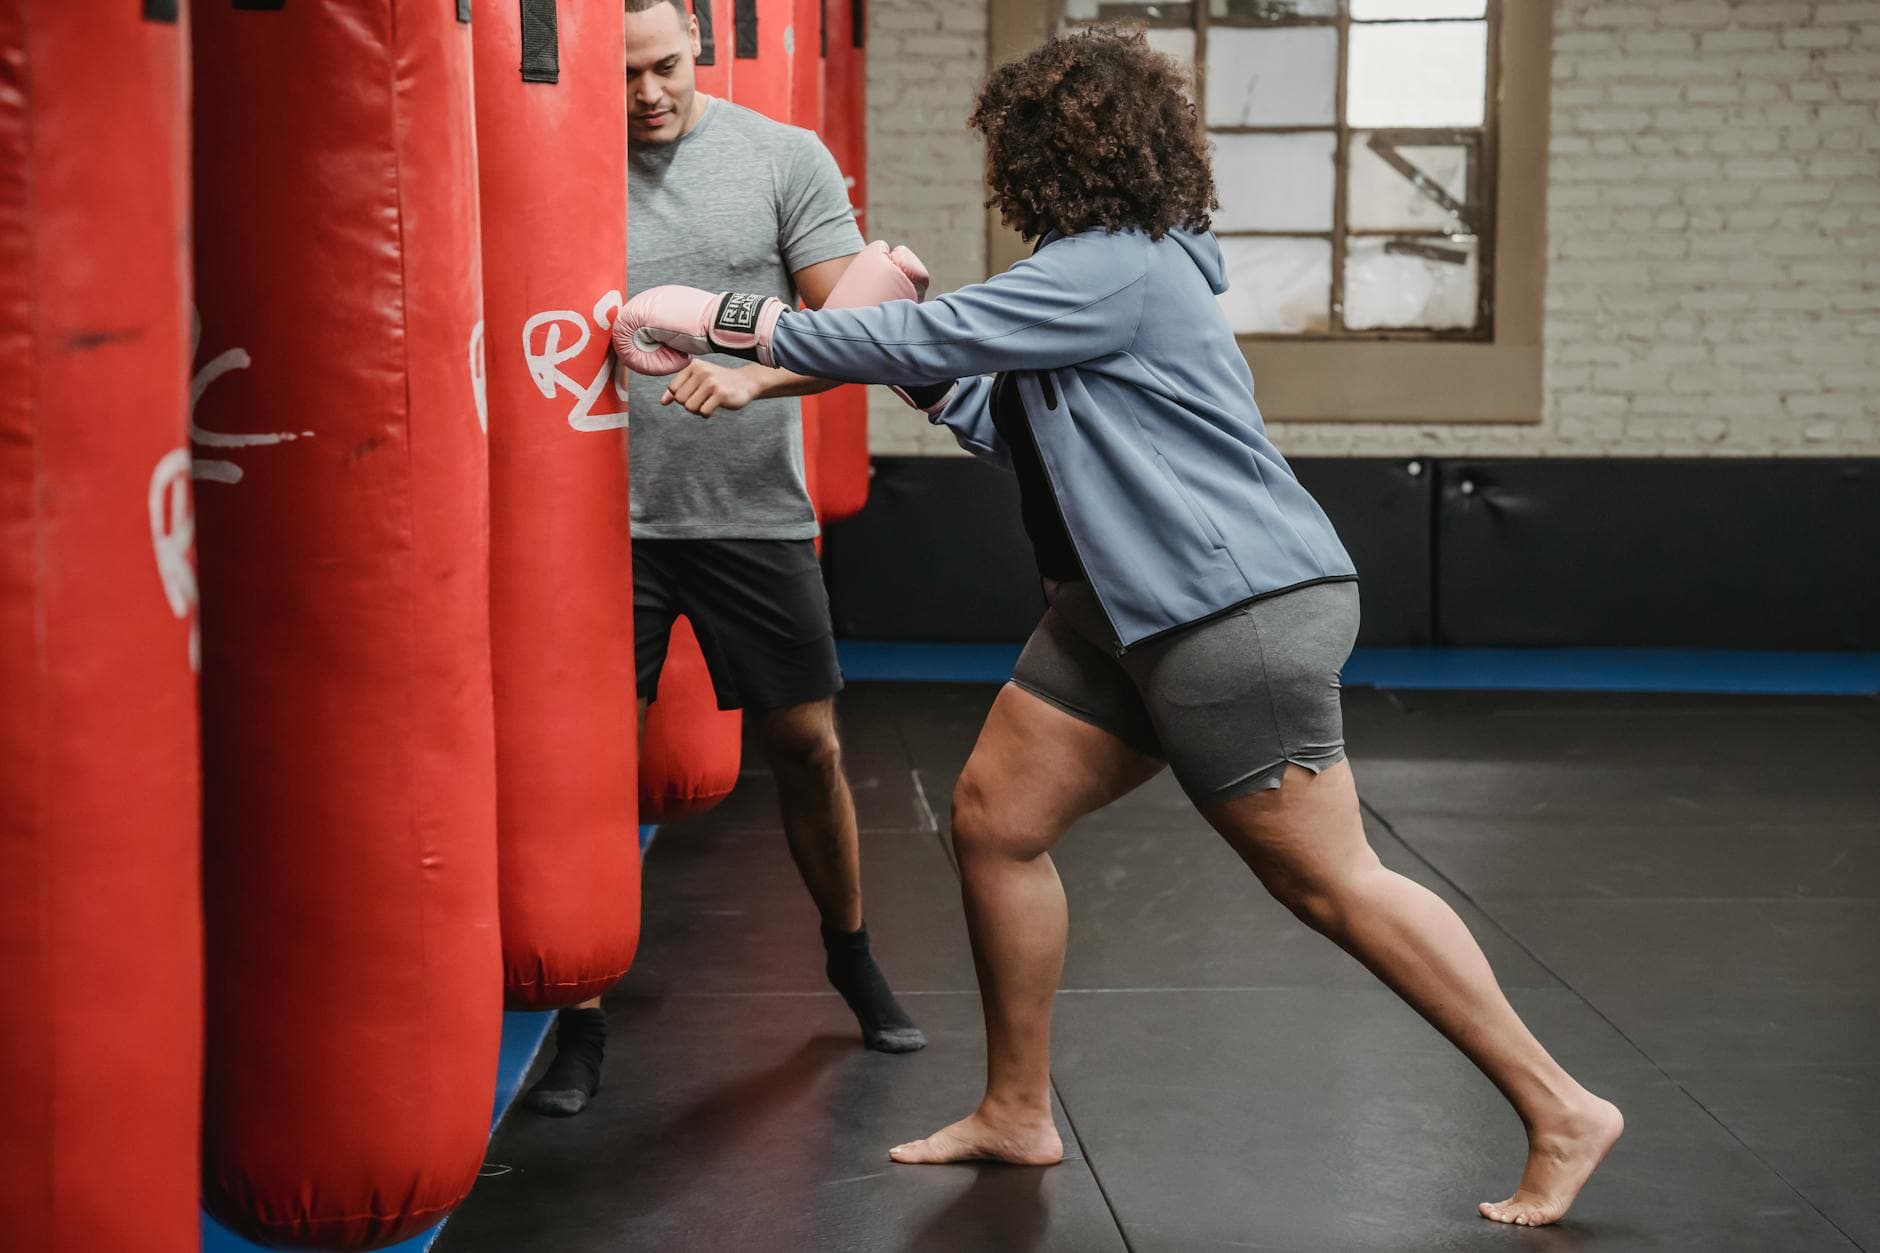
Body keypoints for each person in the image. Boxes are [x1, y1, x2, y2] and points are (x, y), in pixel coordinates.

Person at [616, 26, 1625, 1229]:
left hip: (1226, 609)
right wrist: (915, 357)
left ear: (1048, 154)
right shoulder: (1098, 275)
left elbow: (920, 338)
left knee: (1330, 880)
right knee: (993, 819)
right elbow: (992, 408)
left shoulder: (1116, 266)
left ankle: (1560, 1104)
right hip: (1119, 608)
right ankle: (1015, 1108)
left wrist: (725, 318)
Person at [523, 0, 926, 1121]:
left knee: (805, 744)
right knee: (585, 772)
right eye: (627, 76)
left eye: (665, 67)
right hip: (597, 525)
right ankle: (581, 1017)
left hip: (746, 510)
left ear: (699, 41)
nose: (648, 94)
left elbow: (854, 330)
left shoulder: (781, 157)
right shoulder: (551, 158)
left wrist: (753, 376)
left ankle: (848, 953)